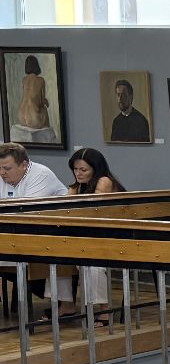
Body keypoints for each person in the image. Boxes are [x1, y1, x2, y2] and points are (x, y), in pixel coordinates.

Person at [0, 142, 69, 317]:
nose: (2, 173)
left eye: (7, 168)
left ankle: (66, 305)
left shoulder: (41, 175)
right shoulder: (3, 175)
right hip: (13, 235)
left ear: (24, 165)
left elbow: (25, 213)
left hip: (53, 235)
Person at [67, 148, 124, 314]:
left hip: (114, 236)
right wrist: (71, 192)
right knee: (56, 256)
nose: (78, 173)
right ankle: (65, 304)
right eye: (75, 169)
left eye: (83, 170)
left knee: (91, 263)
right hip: (90, 235)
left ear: (95, 169)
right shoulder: (78, 186)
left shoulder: (104, 181)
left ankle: (103, 310)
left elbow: (92, 208)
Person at [12, 56, 56, 146]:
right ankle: (50, 138)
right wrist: (46, 102)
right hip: (34, 119)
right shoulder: (40, 80)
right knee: (44, 108)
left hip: (22, 117)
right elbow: (42, 100)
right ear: (37, 66)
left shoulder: (24, 80)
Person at [108, 79, 151, 144]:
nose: (120, 99)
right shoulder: (116, 121)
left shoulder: (141, 120)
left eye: (123, 95)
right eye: (118, 95)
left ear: (130, 97)